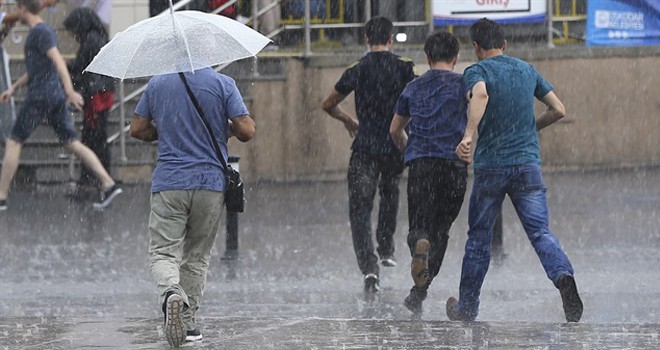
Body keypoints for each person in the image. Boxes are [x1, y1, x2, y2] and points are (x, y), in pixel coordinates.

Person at [445, 18, 583, 323]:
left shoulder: (476, 70)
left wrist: (468, 134)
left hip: (492, 166)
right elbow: (559, 109)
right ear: (504, 45)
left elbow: (480, 95)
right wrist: (529, 129)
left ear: (476, 47)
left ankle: (467, 308)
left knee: (479, 239)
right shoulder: (526, 69)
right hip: (527, 165)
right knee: (540, 232)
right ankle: (563, 277)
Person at [130, 67, 256, 347]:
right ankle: (186, 324)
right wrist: (225, 129)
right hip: (211, 184)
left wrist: (165, 130)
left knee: (164, 252)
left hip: (170, 182)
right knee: (197, 256)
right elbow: (247, 129)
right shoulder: (223, 83)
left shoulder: (157, 83)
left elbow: (137, 129)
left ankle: (170, 294)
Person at [321, 16, 417, 298]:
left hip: (364, 147)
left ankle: (369, 267)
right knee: (390, 192)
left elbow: (328, 104)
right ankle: (386, 247)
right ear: (390, 39)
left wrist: (348, 120)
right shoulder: (404, 67)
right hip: (394, 144)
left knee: (360, 209)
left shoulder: (358, 69)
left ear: (366, 39)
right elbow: (416, 101)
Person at [0, 0, 122, 211]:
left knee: (13, 141)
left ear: (22, 9)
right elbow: (39, 68)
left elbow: (57, 61)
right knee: (72, 143)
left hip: (41, 97)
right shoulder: (42, 32)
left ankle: (1, 196)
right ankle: (109, 184)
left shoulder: (40, 32)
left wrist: (70, 90)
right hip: (51, 96)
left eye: (16, 9)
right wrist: (14, 88)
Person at [389, 31, 468, 315]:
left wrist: (410, 149)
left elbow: (395, 130)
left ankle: (418, 249)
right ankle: (418, 292)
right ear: (456, 58)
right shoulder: (464, 85)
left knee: (419, 228)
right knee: (441, 230)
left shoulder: (414, 87)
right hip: (455, 165)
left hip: (422, 165)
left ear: (428, 57)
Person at [63, 7, 115, 201]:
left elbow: (83, 69)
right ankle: (95, 182)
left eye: (72, 29)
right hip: (100, 94)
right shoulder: (97, 37)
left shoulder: (91, 40)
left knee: (94, 138)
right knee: (95, 138)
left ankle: (94, 182)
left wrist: (66, 70)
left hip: (96, 97)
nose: (72, 34)